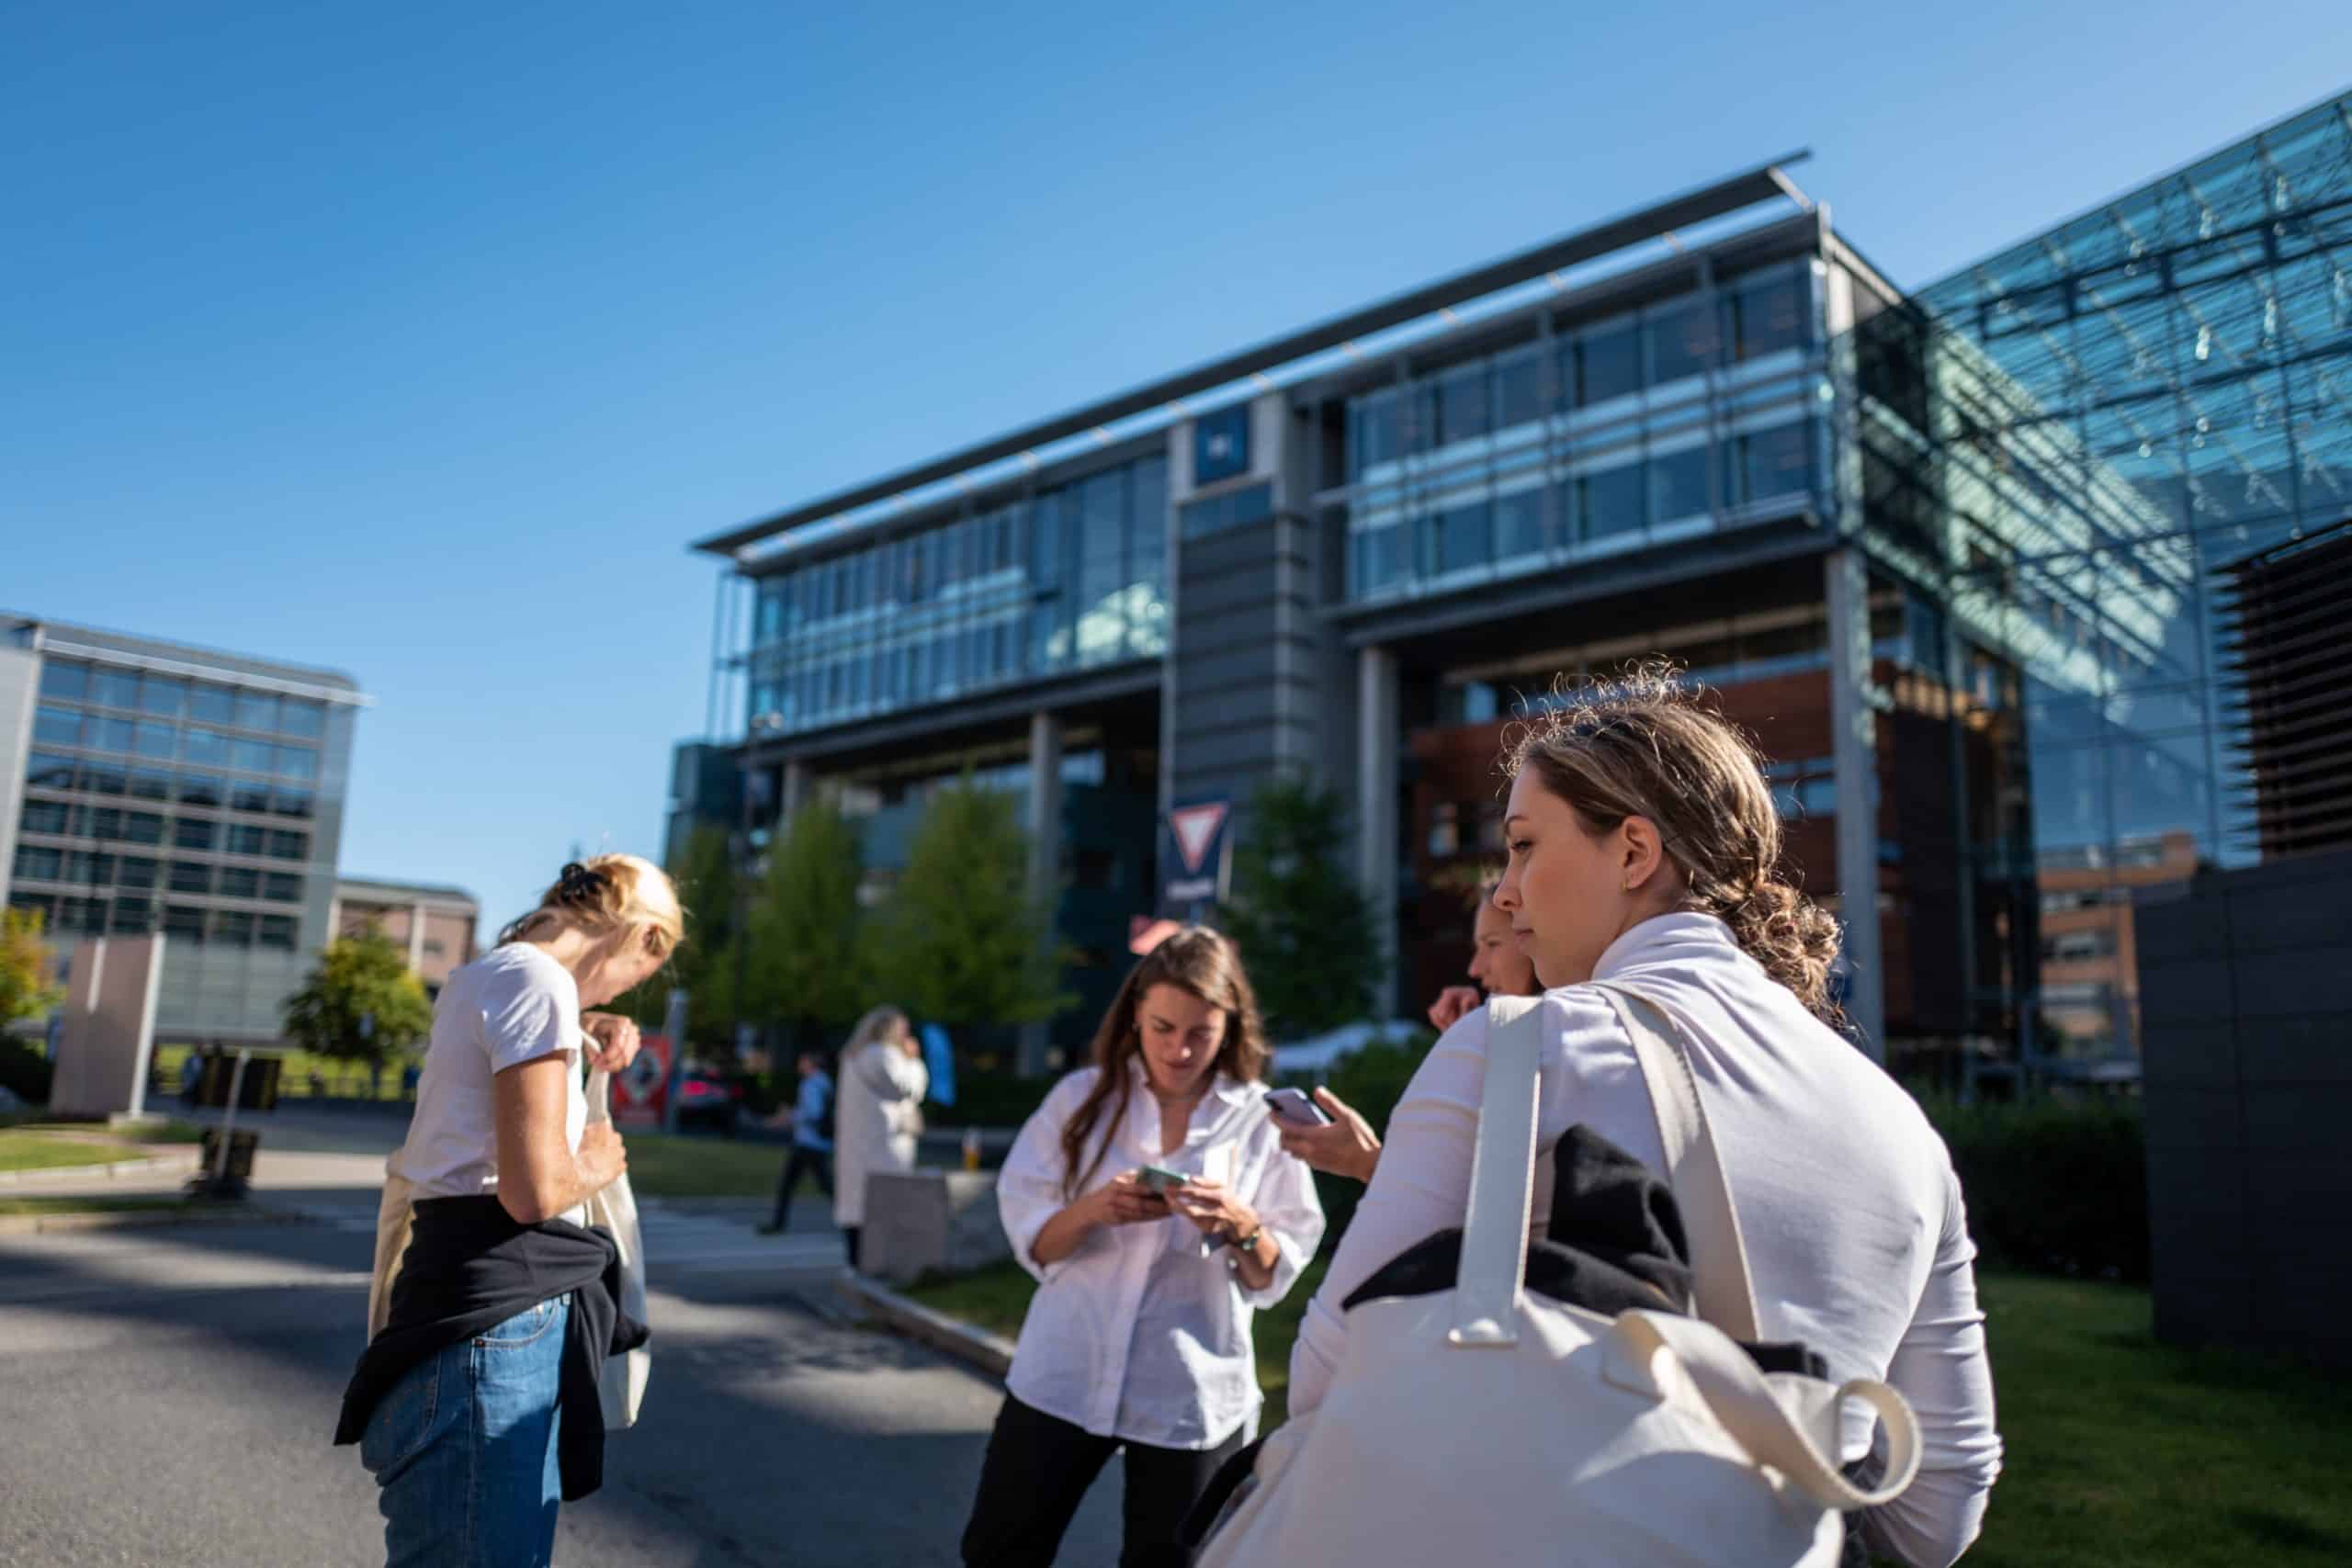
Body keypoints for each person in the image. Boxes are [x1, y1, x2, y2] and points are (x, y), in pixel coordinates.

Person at [1287, 666, 2003, 1568]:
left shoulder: (1513, 1052)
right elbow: (1936, 1520)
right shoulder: (1904, 1127)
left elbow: (1322, 1382)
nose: (1504, 893)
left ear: (1633, 852)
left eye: (1520, 846)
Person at [335, 854, 683, 1568]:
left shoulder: (492, 973)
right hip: (492, 1329)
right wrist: (599, 1160)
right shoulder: (539, 982)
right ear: (640, 936)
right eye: (639, 975)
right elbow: (533, 1190)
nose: (624, 990)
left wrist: (585, 1023)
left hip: (460, 1308)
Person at [962, 927, 1325, 1568]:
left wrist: (1241, 1221)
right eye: (1162, 1027)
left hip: (1189, 1393)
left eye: (1200, 1032)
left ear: (1231, 1025)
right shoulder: (1080, 1100)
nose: (1179, 1049)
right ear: (1134, 1014)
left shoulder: (1257, 1121)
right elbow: (1036, 1243)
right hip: (1064, 1373)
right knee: (999, 1549)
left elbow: (1276, 1273)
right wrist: (1096, 1208)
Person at [1279, 876, 1539, 1186]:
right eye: (1476, 948)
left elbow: (1471, 1189)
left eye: (1492, 944)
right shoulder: (1507, 1044)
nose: (1474, 968)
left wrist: (1366, 1162)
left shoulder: (1547, 1051)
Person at [832, 1005, 926, 1269]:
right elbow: (905, 1089)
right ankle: (876, 1267)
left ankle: (856, 1264)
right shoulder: (883, 1055)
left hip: (858, 1143)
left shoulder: (853, 1057)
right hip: (884, 1142)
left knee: (855, 1206)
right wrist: (914, 1061)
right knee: (883, 1205)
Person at [757, 1051, 835, 1235]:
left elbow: (812, 1113)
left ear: (810, 1063)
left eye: (803, 1061)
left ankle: (778, 1224)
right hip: (819, 1142)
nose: (800, 1064)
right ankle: (850, 1219)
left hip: (807, 1142)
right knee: (824, 1185)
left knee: (789, 1184)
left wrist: (790, 1116)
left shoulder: (810, 1084)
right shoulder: (825, 1082)